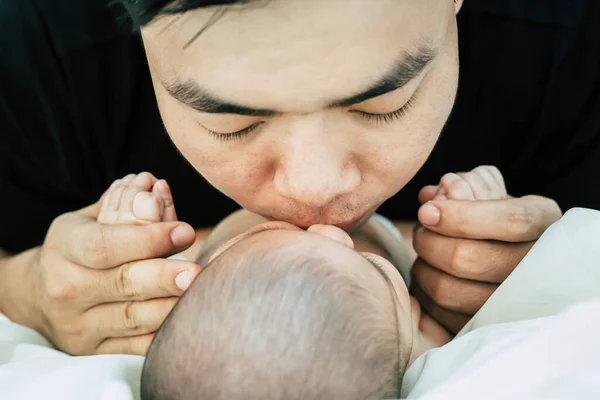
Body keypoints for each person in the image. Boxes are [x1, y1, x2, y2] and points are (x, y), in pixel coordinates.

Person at [2, 0, 598, 355]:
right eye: (233, 123)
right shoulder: (33, 48)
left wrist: (568, 260)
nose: (316, 189)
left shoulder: (574, 38)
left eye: (383, 105)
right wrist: (29, 292)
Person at [87, 166, 501, 399]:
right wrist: (473, 221)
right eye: (372, 268)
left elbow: (128, 294)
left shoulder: (181, 300)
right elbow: (477, 317)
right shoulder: (417, 344)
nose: (330, 233)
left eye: (267, 234)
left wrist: (137, 236)